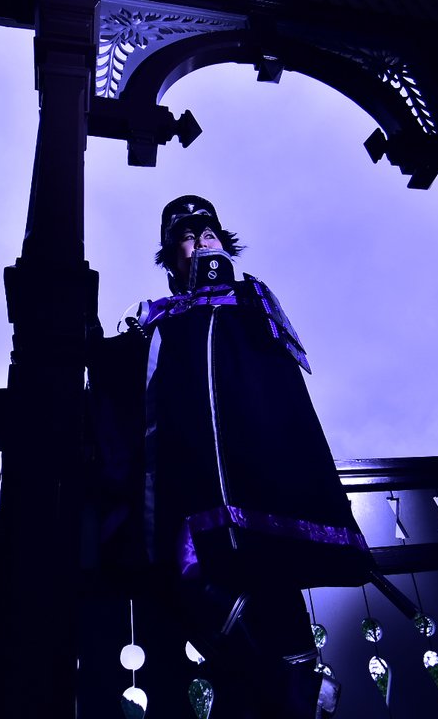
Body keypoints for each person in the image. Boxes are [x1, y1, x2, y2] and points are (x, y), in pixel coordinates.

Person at [87, 195, 373, 718]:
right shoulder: (155, 319)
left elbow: (278, 389)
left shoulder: (250, 301)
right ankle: (293, 686)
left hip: (258, 480)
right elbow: (124, 382)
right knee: (190, 581)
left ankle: (300, 685)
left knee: (272, 580)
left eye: (209, 234)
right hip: (185, 486)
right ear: (170, 257)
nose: (200, 243)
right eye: (186, 237)